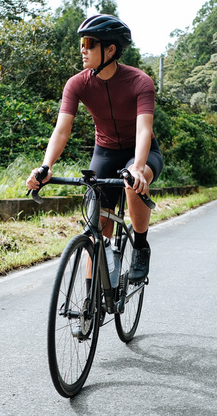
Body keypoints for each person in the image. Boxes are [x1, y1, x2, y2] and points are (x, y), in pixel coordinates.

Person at [26, 14, 163, 283]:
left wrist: (136, 167)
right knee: (96, 230)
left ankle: (141, 246)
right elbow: (62, 129)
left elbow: (144, 129)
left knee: (131, 182)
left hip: (141, 151)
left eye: (89, 43)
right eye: (82, 43)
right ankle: (91, 302)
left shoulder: (140, 81)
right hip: (105, 152)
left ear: (110, 49)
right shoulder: (77, 83)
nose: (82, 49)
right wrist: (46, 166)